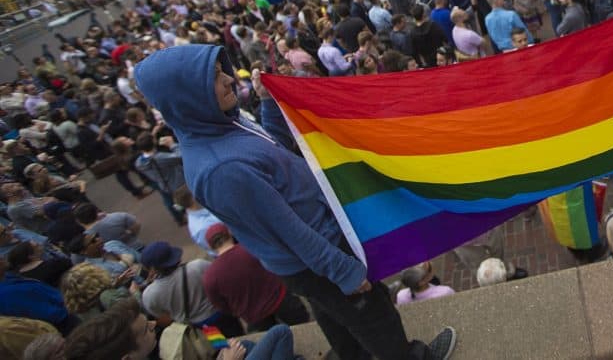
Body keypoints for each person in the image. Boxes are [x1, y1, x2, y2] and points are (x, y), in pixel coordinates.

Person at [133, 44, 457, 360]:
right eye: (216, 78)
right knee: (373, 314)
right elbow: (287, 228)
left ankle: (351, 354)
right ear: (190, 97)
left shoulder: (221, 128)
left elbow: (274, 151)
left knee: (333, 313)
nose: (230, 80)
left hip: (314, 254)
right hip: (317, 255)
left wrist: (267, 105)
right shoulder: (221, 168)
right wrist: (342, 270)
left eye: (223, 71)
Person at [202, 223, 311, 332]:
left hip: (254, 316)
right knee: (305, 329)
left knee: (274, 345)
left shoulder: (210, 276)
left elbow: (220, 305)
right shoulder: (252, 247)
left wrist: (237, 310)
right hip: (281, 299)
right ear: (229, 233)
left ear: (211, 247)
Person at [133, 132, 186, 226]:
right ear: (153, 142)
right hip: (179, 183)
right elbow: (181, 156)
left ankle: (179, 218)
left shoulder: (139, 162)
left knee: (170, 202)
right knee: (188, 202)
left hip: (164, 184)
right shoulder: (160, 158)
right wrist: (172, 144)